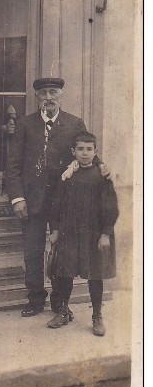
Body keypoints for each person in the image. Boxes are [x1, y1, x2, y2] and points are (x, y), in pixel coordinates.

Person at [4, 77, 109, 318]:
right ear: (37, 98)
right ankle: (35, 298)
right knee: (32, 250)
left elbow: (87, 152)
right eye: (43, 93)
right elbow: (12, 166)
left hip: (65, 202)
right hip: (32, 200)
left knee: (63, 252)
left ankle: (60, 303)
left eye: (53, 92)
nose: (48, 97)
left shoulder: (74, 123)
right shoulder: (25, 124)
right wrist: (17, 198)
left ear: (60, 96)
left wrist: (102, 168)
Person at [46, 131, 118, 336]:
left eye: (89, 149)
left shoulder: (101, 177)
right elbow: (56, 205)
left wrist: (106, 233)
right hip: (70, 232)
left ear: (95, 152)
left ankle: (97, 316)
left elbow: (110, 207)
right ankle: (63, 311)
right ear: (73, 151)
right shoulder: (67, 175)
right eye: (80, 149)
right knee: (65, 272)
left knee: (95, 275)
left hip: (93, 233)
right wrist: (56, 230)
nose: (85, 153)